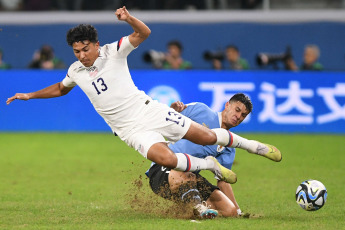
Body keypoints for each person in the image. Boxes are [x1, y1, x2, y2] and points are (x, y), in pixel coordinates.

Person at [7, 6, 281, 195]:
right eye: (76, 51)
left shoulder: (112, 51)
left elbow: (144, 33)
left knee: (208, 138)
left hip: (148, 111)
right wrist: (29, 95)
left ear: (95, 43)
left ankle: (254, 147)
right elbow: (60, 88)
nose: (80, 55)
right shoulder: (75, 71)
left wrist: (128, 18)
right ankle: (209, 165)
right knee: (167, 158)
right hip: (129, 130)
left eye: (84, 48)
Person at [146, 93, 281, 219]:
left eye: (243, 115)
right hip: (164, 169)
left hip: (190, 179)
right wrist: (174, 109)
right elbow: (170, 116)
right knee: (187, 173)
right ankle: (199, 207)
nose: (239, 116)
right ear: (227, 105)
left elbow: (223, 179)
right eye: (237, 110)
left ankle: (196, 209)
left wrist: (238, 211)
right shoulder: (201, 110)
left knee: (229, 211)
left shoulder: (229, 147)